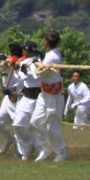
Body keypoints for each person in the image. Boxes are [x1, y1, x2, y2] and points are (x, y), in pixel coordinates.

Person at [31, 29, 68, 161]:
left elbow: (38, 75)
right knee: (35, 122)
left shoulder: (52, 56)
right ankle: (46, 148)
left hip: (54, 96)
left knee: (53, 126)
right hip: (44, 93)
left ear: (45, 41)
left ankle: (61, 152)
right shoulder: (51, 54)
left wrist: (33, 64)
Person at [11, 40, 43, 161]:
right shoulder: (23, 62)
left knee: (38, 126)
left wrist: (26, 72)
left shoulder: (39, 62)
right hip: (26, 97)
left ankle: (41, 150)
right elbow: (20, 77)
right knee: (17, 124)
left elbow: (36, 76)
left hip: (38, 97)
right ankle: (28, 145)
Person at [0, 43, 22, 156]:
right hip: (7, 99)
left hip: (17, 98)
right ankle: (8, 139)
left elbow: (22, 81)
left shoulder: (20, 65)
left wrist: (12, 89)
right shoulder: (7, 63)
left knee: (17, 126)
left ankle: (19, 153)